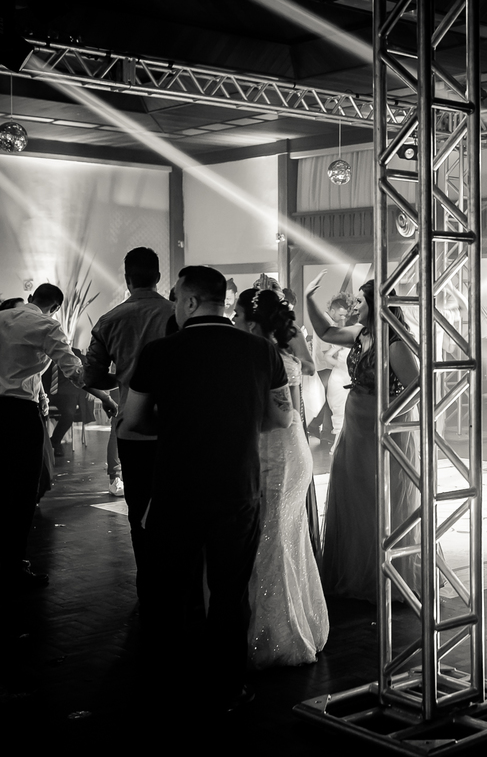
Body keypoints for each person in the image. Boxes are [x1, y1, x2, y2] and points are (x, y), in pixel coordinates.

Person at [121, 265, 291, 711]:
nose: (174, 305)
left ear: (191, 301)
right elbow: (281, 419)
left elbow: (133, 420)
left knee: (171, 592)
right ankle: (227, 686)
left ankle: (171, 683)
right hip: (237, 487)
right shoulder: (261, 351)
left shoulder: (160, 352)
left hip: (176, 489)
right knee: (230, 593)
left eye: (177, 297)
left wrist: (178, 426)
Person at [0, 284, 104, 588]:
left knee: (3, 484)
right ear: (56, 307)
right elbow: (76, 373)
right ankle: (15, 562)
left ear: (32, 298)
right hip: (19, 414)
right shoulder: (47, 326)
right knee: (25, 489)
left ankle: (7, 558)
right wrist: (107, 396)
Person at [305, 272, 420, 603]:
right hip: (355, 423)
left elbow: (415, 388)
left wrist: (389, 418)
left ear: (376, 304)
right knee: (353, 493)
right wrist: (311, 298)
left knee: (379, 496)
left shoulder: (394, 343)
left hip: (382, 426)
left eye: (360, 300)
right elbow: (325, 331)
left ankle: (385, 573)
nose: (354, 305)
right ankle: (356, 570)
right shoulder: (360, 335)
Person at [234, 287, 328, 667]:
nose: (234, 322)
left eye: (238, 316)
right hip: (288, 451)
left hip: (278, 454)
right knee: (281, 539)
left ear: (253, 323)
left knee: (271, 541)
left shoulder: (266, 356)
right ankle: (282, 623)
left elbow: (283, 416)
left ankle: (276, 634)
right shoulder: (276, 352)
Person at [84, 246, 174, 575]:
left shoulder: (110, 320)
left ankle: (147, 579)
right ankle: (173, 578)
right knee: (176, 506)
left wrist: (124, 377)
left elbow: (90, 376)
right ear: (159, 277)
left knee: (138, 510)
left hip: (132, 428)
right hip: (173, 426)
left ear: (127, 277)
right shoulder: (177, 314)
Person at [311, 293, 353, 451]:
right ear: (333, 310)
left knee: (330, 403)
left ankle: (326, 434)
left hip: (332, 368)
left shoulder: (333, 325)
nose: (342, 318)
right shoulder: (326, 325)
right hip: (325, 368)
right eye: (340, 314)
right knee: (329, 402)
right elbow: (325, 351)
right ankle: (324, 432)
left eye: (345, 316)